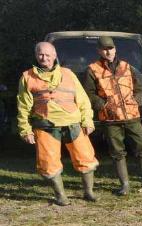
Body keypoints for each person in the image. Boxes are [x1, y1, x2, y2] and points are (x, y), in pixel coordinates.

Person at [17, 42, 99, 205]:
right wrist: (25, 130)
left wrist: (87, 120)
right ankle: (61, 196)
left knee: (86, 157)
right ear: (36, 55)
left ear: (54, 56)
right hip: (45, 126)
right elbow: (23, 106)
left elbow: (82, 99)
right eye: (40, 54)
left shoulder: (68, 73)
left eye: (48, 55)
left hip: (73, 124)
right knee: (48, 162)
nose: (44, 58)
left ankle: (88, 192)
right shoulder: (27, 77)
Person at [84, 36, 142, 196]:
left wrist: (137, 100)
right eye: (104, 49)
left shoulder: (126, 66)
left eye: (110, 48)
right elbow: (88, 94)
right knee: (117, 152)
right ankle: (125, 185)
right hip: (110, 119)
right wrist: (103, 105)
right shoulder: (92, 69)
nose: (107, 51)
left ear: (115, 49)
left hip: (132, 115)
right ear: (99, 50)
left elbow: (139, 88)